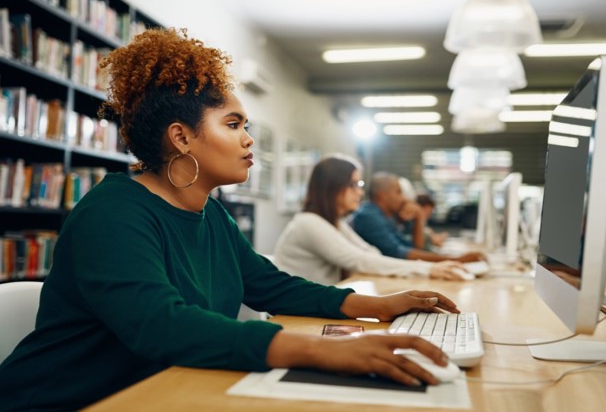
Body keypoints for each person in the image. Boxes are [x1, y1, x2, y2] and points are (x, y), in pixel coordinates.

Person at [0, 28, 460, 411]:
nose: (248, 140)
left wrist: (381, 306)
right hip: (65, 401)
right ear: (181, 137)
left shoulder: (211, 214)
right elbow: (161, 325)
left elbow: (275, 287)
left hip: (160, 392)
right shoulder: (112, 214)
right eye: (234, 124)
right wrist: (324, 350)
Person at [273, 155, 467, 285]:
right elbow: (360, 260)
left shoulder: (333, 222)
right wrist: (428, 269)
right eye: (354, 185)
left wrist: (428, 267)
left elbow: (370, 252)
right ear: (333, 186)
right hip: (292, 318)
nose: (360, 192)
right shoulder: (309, 223)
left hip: (315, 305)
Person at [351, 172, 485, 263]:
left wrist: (419, 217)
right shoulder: (368, 216)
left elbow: (414, 247)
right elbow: (401, 254)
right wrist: (456, 260)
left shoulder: (385, 216)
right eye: (398, 192)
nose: (403, 198)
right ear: (382, 196)